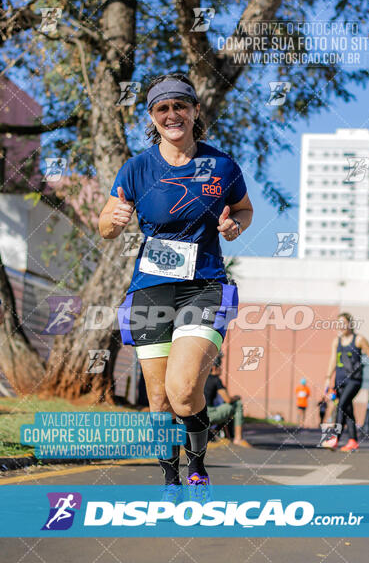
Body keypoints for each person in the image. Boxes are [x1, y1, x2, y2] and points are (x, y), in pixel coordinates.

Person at [98, 72, 253, 503]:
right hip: (151, 289)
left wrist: (233, 225)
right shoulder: (137, 168)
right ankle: (170, 481)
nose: (172, 114)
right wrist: (110, 223)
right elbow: (106, 221)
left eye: (180, 106)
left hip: (204, 285)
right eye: (162, 108)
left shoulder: (222, 165)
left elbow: (243, 209)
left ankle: (198, 463)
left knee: (184, 392)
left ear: (195, 111)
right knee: (158, 398)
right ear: (152, 116)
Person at [321, 312, 369, 452]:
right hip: (340, 380)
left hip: (354, 380)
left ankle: (335, 438)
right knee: (347, 409)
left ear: (350, 324)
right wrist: (328, 378)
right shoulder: (336, 341)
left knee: (341, 405)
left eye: (344, 323)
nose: (341, 326)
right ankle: (353, 441)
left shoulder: (359, 340)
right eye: (339, 323)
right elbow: (333, 360)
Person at [205, 354, 251, 447]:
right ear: (214, 368)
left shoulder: (202, 379)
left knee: (223, 408)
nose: (221, 369)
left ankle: (222, 435)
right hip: (210, 414)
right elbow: (228, 400)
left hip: (198, 414)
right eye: (220, 367)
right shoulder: (216, 380)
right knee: (237, 404)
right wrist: (236, 397)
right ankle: (238, 439)